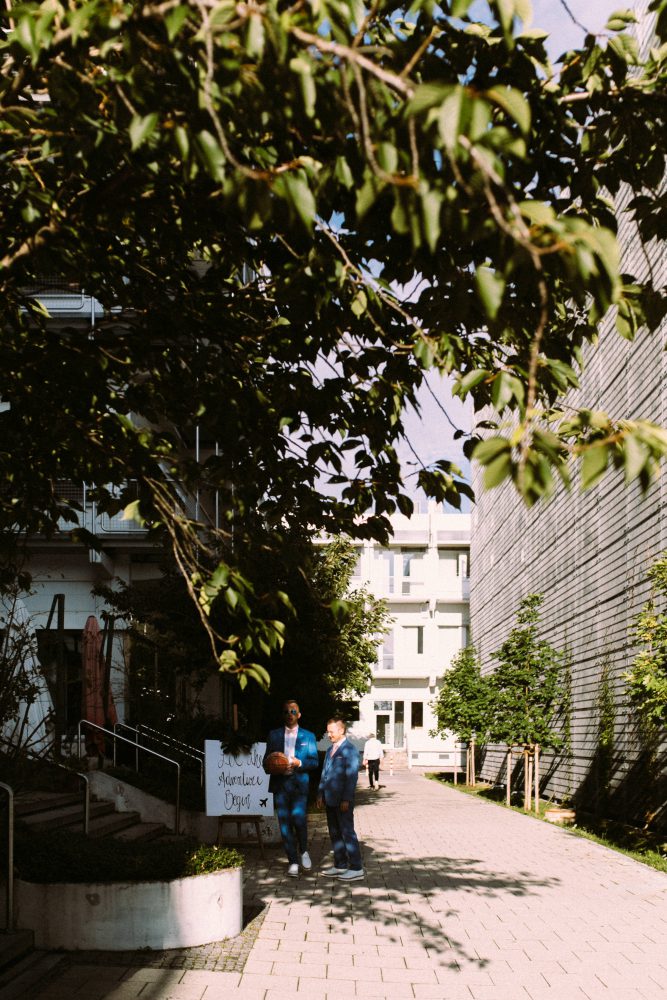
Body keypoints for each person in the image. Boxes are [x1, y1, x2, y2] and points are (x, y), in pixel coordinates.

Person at [263, 699, 319, 877]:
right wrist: (273, 765)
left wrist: (299, 762)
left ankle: (303, 851)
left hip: (299, 785)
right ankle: (293, 861)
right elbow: (265, 763)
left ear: (299, 714)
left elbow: (314, 762)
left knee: (299, 819)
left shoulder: (308, 736)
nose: (290, 715)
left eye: (293, 711)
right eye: (286, 711)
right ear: (283, 714)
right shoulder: (274, 735)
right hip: (280, 785)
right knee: (285, 825)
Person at [317, 716, 364, 881]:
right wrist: (320, 793)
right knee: (335, 832)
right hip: (329, 798)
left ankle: (357, 867)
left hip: (342, 800)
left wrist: (346, 799)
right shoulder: (330, 750)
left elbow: (351, 776)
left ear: (341, 730)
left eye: (331, 732)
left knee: (347, 832)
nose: (329, 735)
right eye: (328, 732)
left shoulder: (350, 750)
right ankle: (340, 864)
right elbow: (324, 773)